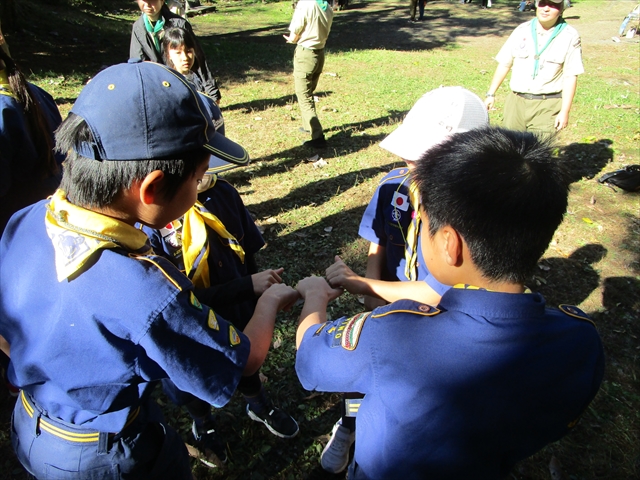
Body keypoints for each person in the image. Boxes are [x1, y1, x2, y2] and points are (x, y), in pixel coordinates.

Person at [0, 60, 299, 479]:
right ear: (152, 187)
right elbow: (243, 362)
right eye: (198, 179)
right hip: (105, 458)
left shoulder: (25, 220)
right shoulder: (148, 289)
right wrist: (267, 300)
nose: (200, 189)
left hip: (32, 424)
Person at [294, 126, 604, 479]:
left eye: (423, 224)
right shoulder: (581, 341)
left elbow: (308, 358)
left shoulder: (393, 334)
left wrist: (315, 297)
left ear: (449, 244)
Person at [319, 86, 489, 473]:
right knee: (363, 372)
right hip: (384, 304)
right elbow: (378, 242)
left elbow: (440, 291)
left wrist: (364, 286)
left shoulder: (473, 214)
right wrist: (371, 291)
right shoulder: (393, 186)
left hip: (442, 318)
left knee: (414, 389)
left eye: (422, 157)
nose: (409, 163)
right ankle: (348, 423)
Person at [142, 94, 299, 466]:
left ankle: (257, 403)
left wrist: (257, 285)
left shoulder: (222, 193)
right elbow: (178, 300)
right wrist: (250, 287)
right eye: (200, 163)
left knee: (246, 362)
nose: (208, 169)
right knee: (191, 381)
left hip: (239, 310)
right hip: (189, 325)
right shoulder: (148, 224)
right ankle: (203, 421)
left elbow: (247, 251)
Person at [0, 21, 63, 236]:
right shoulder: (36, 93)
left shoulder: (4, 109)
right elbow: (60, 155)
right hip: (50, 220)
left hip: (12, 231)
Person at [484, 0, 583, 133]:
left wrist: (565, 111)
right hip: (516, 102)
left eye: (552, 5)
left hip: (547, 105)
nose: (546, 9)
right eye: (542, 3)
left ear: (561, 10)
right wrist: (491, 94)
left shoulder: (569, 36)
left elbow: (570, 76)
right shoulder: (522, 30)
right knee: (509, 149)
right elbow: (505, 63)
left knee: (539, 151)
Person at [130, 0, 222, 102]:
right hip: (158, 88)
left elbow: (198, 57)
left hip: (182, 83)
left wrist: (212, 92)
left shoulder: (179, 23)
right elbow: (136, 62)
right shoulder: (138, 27)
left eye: (152, 1)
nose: (147, 5)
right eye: (142, 1)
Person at [283, 0, 334, 149]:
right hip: (319, 53)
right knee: (308, 92)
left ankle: (317, 136)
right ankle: (308, 126)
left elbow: (296, 29)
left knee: (304, 96)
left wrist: (292, 38)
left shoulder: (306, 3)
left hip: (306, 53)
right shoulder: (326, 6)